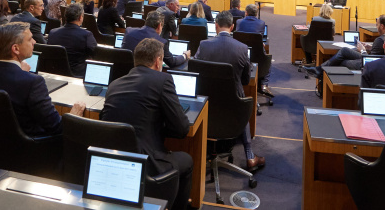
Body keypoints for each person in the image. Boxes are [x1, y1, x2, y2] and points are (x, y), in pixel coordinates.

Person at [102, 38, 193, 210]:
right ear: (158, 61)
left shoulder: (114, 84)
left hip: (113, 161)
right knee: (187, 161)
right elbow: (182, 129)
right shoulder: (163, 80)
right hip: (147, 163)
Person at [0, 23, 85, 137]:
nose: (34, 42)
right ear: (16, 48)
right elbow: (56, 127)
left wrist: (21, 74)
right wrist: (73, 116)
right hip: (32, 148)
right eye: (30, 39)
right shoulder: (33, 82)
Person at [194, 11, 264, 170]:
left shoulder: (204, 45)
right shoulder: (242, 48)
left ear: (216, 25)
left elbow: (195, 70)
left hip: (206, 104)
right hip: (233, 107)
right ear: (232, 27)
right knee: (243, 101)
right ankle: (250, 156)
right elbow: (246, 80)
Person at [314, 15, 385, 72]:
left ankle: (321, 73)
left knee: (341, 61)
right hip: (383, 63)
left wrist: (363, 50)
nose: (376, 27)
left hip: (373, 66)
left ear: (382, 26)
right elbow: (380, 51)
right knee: (345, 50)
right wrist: (370, 47)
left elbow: (369, 61)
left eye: (377, 25)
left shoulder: (380, 40)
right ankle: (319, 70)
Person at [122, 12, 189, 68]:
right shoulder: (160, 42)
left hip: (122, 72)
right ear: (159, 26)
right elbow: (172, 62)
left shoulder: (129, 31)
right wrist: (184, 55)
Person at [47, 3, 97, 78]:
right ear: (80, 17)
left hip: (55, 74)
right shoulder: (86, 35)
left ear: (65, 16)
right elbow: (96, 53)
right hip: (78, 75)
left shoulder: (52, 33)